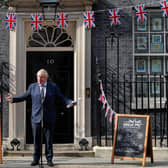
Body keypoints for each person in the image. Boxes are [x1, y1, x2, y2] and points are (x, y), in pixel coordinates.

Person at [5, 69, 77, 167]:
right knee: (36, 140)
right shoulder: (32, 87)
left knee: (48, 140)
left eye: (42, 77)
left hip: (49, 117)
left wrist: (70, 102)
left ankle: (49, 159)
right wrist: (13, 99)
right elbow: (24, 96)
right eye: (38, 77)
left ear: (46, 78)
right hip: (36, 117)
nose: (39, 79)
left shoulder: (53, 87)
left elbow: (61, 97)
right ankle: (35, 159)